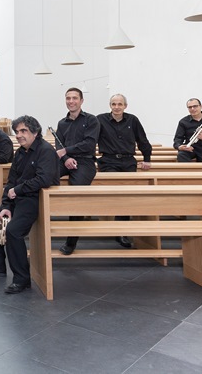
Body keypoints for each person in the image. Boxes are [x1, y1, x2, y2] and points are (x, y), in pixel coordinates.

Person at [0, 115, 59, 294]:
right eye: (17, 132)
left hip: (36, 199)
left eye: (23, 131)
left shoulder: (45, 151)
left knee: (13, 231)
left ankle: (22, 279)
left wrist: (18, 190)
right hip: (17, 198)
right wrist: (5, 206)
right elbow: (11, 181)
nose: (19, 135)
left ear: (35, 132)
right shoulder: (20, 153)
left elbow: (44, 179)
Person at [96, 93, 152, 249]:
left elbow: (142, 140)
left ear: (125, 106)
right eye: (114, 104)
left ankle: (122, 231)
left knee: (127, 196)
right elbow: (90, 139)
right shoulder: (100, 119)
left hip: (128, 161)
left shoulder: (132, 120)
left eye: (120, 104)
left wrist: (147, 158)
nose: (116, 107)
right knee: (115, 194)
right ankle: (116, 227)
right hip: (108, 161)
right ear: (110, 106)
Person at [55, 87, 100, 255]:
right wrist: (66, 158)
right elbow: (59, 144)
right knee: (42, 178)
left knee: (76, 194)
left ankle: (71, 241)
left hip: (85, 162)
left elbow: (89, 144)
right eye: (68, 98)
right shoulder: (62, 123)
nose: (71, 101)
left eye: (74, 98)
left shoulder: (91, 120)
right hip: (66, 161)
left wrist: (66, 152)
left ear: (81, 101)